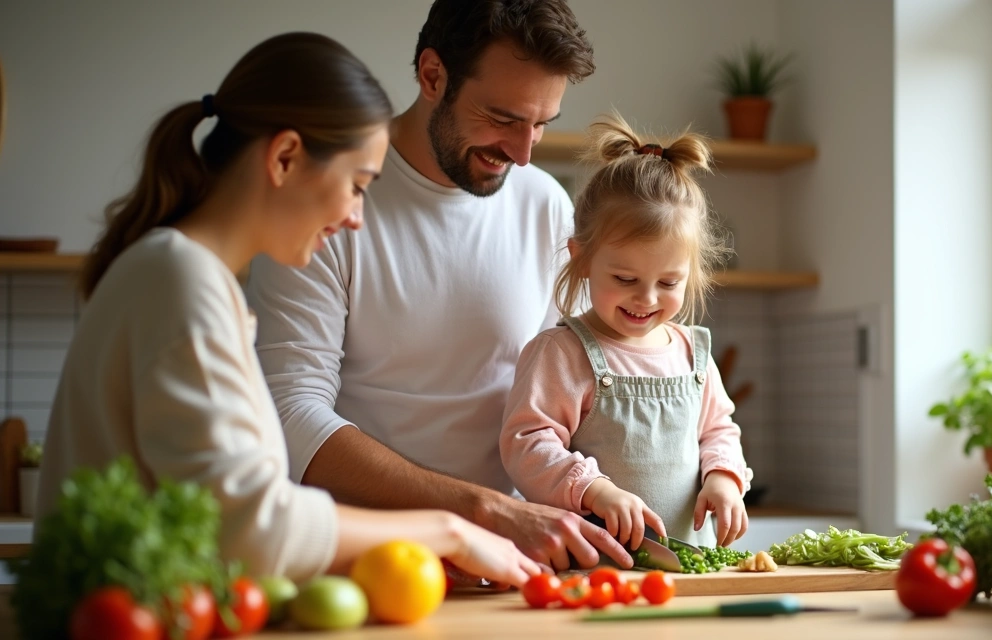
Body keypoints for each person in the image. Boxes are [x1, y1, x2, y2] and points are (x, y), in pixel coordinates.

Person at [36, 32, 540, 587]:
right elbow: (251, 529)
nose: (355, 216)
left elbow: (237, 512)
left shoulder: (182, 273)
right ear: (284, 158)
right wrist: (452, 529)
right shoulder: (180, 280)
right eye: (356, 185)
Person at [244, 0, 631, 570]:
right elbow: (290, 411)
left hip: (514, 558)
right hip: (365, 560)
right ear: (432, 75)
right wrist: (482, 512)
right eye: (502, 118)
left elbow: (576, 381)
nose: (524, 153)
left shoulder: (545, 204)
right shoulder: (331, 202)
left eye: (541, 123)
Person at [500, 113, 752, 551]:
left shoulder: (692, 352)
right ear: (580, 259)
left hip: (690, 566)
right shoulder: (561, 353)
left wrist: (724, 478)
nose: (647, 299)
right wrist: (594, 488)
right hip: (590, 566)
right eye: (625, 279)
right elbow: (527, 444)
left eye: (669, 283)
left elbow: (718, 430)